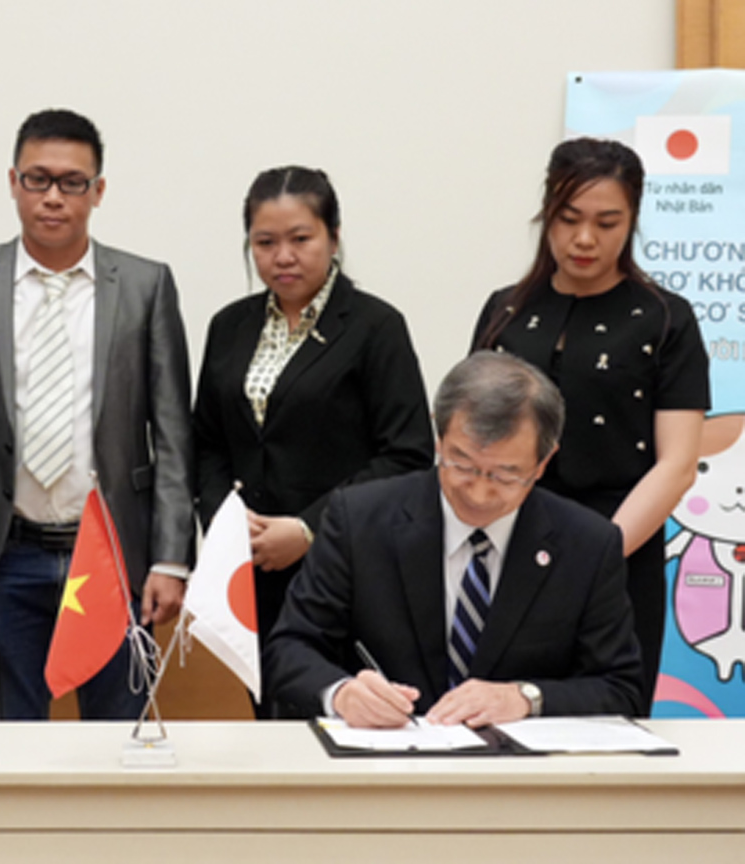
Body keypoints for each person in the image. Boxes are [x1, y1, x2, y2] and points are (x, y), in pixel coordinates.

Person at [0, 108, 193, 720]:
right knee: (4, 736)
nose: (53, 197)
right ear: (13, 182)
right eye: (38, 179)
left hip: (114, 554)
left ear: (98, 192)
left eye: (72, 183)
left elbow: (174, 433)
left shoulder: (146, 286)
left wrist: (170, 558)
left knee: (119, 739)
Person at [263, 351, 645, 727]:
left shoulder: (588, 543)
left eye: (505, 475)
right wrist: (342, 693)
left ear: (544, 463)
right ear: (439, 438)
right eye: (461, 464)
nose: (478, 493)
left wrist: (525, 698)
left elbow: (620, 687)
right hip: (387, 767)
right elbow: (289, 648)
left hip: (521, 779)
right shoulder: (359, 519)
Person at [473, 138, 709, 709]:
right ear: (546, 215)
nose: (584, 239)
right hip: (507, 547)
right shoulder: (505, 309)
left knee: (606, 724)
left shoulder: (663, 318)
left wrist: (598, 553)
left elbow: (677, 464)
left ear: (632, 220)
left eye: (607, 222)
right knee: (495, 716)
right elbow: (472, 436)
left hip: (618, 549)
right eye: (569, 219)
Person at [192, 166, 434, 718]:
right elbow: (205, 441)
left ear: (334, 236)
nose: (283, 256)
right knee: (267, 718)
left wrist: (306, 529)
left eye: (301, 238)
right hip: (249, 573)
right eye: (265, 242)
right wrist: (230, 528)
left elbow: (407, 454)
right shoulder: (229, 326)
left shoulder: (376, 327)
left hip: (347, 568)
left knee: (338, 719)